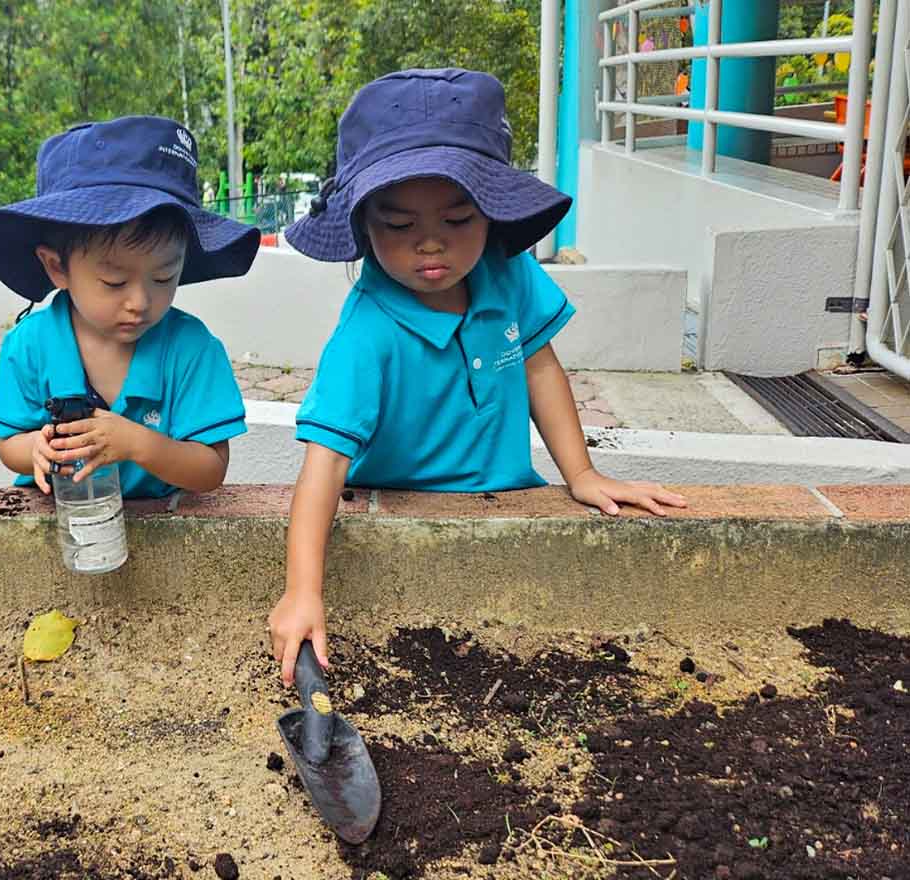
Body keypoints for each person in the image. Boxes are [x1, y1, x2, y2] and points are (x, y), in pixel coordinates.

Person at [267, 69, 688, 683]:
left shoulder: (508, 275)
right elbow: (325, 460)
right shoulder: (365, 334)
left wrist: (583, 474)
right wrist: (302, 591)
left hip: (512, 499)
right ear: (363, 225)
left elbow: (541, 367)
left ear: (492, 214)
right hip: (406, 522)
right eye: (401, 225)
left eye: (459, 220)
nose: (431, 245)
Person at [0, 116, 262, 498]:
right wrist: (36, 450)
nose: (140, 302)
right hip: (71, 528)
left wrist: (137, 443)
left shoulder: (191, 348)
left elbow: (210, 469)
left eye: (164, 278)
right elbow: (8, 443)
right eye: (114, 282)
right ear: (57, 266)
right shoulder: (30, 345)